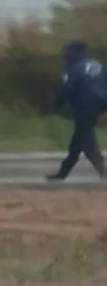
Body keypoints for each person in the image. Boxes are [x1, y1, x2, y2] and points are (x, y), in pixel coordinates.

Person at [47, 40, 107, 181]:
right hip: (101, 103)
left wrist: (56, 104)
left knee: (86, 139)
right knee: (79, 139)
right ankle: (63, 172)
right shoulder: (96, 65)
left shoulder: (75, 68)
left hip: (85, 105)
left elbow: (68, 89)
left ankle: (103, 171)